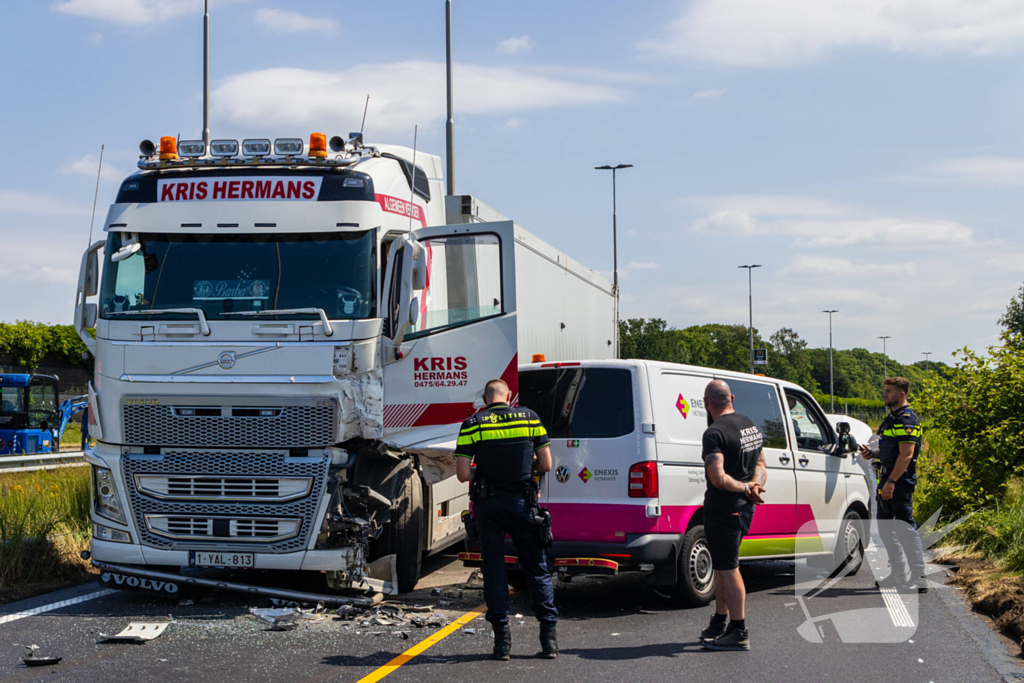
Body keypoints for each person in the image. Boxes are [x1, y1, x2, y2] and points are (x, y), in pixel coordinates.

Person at [455, 379, 558, 661]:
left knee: (494, 570)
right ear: (509, 396)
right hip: (523, 504)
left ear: (485, 399)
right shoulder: (530, 418)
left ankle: (502, 643)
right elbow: (547, 464)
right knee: (536, 568)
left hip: (488, 506)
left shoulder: (473, 423)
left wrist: (484, 474)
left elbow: (463, 474)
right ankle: (548, 641)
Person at [699, 379, 767, 652]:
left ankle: (739, 631)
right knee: (724, 567)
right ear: (732, 398)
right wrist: (755, 486)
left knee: (729, 568)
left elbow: (717, 478)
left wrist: (745, 487)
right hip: (744, 507)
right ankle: (720, 622)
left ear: (707, 403)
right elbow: (761, 464)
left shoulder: (714, 433)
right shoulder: (749, 424)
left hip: (725, 507)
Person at [859, 376, 927, 593]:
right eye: (884, 390)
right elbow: (892, 450)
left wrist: (891, 481)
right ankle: (898, 574)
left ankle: (919, 577)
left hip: (899, 482)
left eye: (888, 391)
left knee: (905, 529)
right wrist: (874, 453)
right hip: (887, 480)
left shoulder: (907, 419)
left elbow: (906, 455)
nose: (884, 394)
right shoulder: (893, 418)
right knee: (887, 529)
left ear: (902, 394)